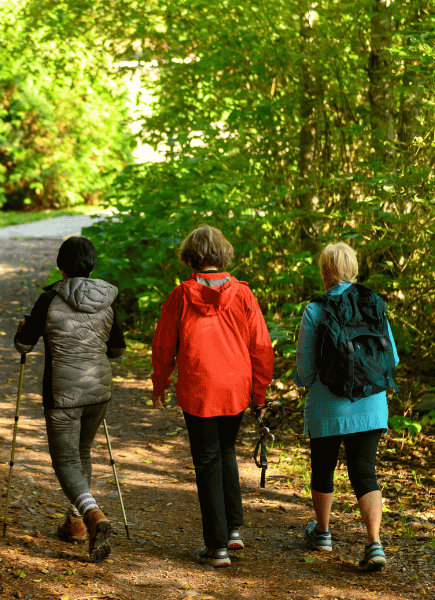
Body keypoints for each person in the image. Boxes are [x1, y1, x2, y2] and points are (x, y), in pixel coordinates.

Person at [150, 225, 275, 568]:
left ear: (190, 256)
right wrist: (259, 393)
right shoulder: (243, 294)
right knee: (225, 451)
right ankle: (233, 529)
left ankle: (216, 546)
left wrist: (159, 384)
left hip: (199, 385)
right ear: (222, 254)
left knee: (208, 459)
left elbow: (163, 345)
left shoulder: (181, 295)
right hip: (236, 386)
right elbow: (261, 348)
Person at [14, 235, 127, 563]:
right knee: (82, 454)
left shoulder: (49, 299)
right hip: (98, 392)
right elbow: (117, 350)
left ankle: (92, 515)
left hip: (62, 393)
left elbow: (24, 345)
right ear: (92, 264)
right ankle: (77, 524)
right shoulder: (108, 299)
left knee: (65, 461)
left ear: (61, 266)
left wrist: (24, 328)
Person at [295, 241, 399, 572]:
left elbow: (304, 370)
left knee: (323, 466)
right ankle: (374, 543)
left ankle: (323, 533)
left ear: (324, 271)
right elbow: (392, 358)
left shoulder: (316, 309)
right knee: (363, 470)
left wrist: (310, 385)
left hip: (327, 406)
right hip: (371, 404)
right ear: (353, 268)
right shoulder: (374, 302)